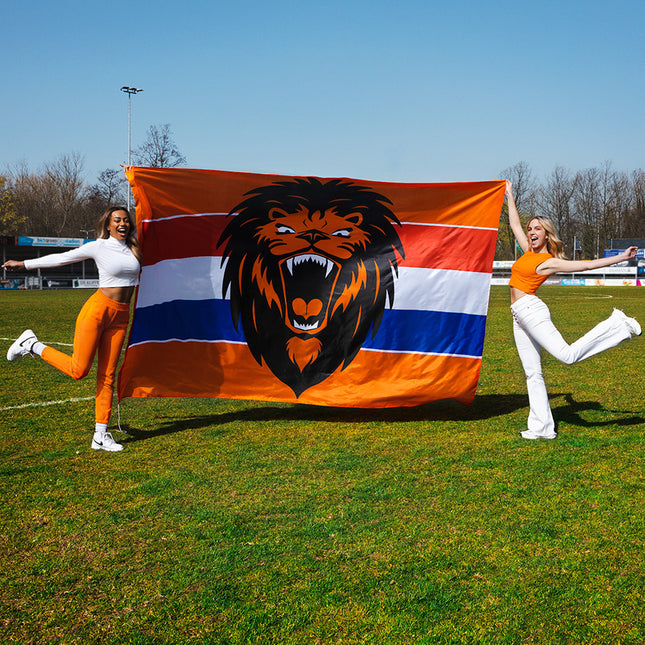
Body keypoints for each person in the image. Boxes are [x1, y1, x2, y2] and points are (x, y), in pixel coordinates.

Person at [505, 181, 641, 439]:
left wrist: (621, 257)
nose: (531, 231)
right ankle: (542, 428)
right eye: (530, 228)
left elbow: (587, 265)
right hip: (518, 315)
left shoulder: (548, 261)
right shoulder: (526, 252)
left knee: (567, 356)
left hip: (531, 310)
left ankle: (619, 325)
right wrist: (510, 195)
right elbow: (513, 225)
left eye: (537, 229)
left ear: (547, 234)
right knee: (532, 372)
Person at [3, 206, 141, 452]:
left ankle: (100, 435)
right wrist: (24, 264)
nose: (123, 224)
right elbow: (61, 258)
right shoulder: (98, 246)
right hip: (98, 310)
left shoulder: (135, 248)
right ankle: (31, 344)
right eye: (117, 220)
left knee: (107, 376)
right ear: (108, 225)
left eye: (126, 220)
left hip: (121, 315)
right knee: (79, 370)